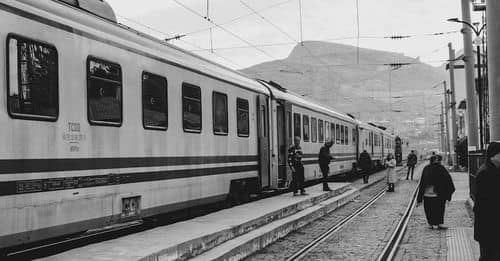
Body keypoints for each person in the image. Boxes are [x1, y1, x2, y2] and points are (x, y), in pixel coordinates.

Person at [473, 141, 500, 260]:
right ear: (495, 155)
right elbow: (487, 203)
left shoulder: (493, 169)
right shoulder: (485, 173)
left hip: (492, 225)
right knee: (489, 256)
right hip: (488, 226)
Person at [417, 155, 455, 230]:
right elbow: (448, 181)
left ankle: (431, 223)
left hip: (427, 193)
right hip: (439, 193)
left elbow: (422, 183)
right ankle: (438, 223)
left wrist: (420, 198)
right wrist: (448, 194)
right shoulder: (441, 168)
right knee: (439, 209)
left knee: (429, 209)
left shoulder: (426, 168)